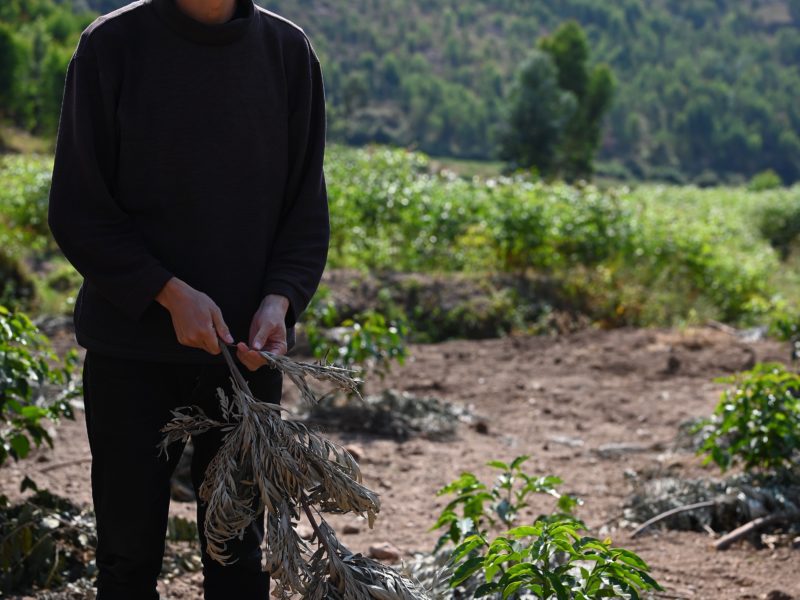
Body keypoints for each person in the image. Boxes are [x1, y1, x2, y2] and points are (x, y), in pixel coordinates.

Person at [47, 0, 329, 597]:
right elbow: (79, 211)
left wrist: (280, 302)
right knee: (127, 559)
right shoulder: (111, 46)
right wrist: (168, 295)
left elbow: (304, 212)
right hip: (130, 352)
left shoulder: (287, 53)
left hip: (246, 359)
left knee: (238, 560)